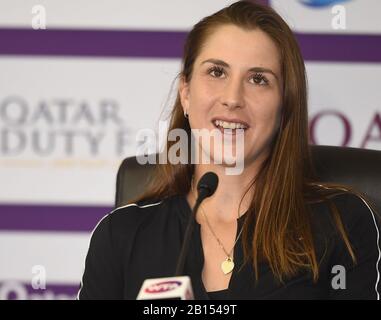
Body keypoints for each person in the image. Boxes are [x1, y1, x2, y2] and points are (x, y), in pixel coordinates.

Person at [78, 1, 380, 300]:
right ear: (186, 93)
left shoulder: (343, 224)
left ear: (285, 106)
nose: (233, 98)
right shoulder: (120, 235)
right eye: (216, 72)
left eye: (258, 79)